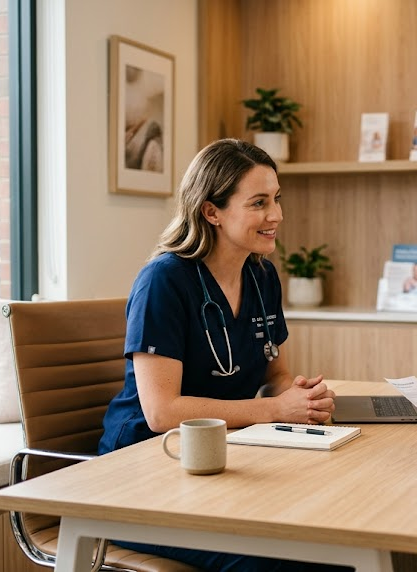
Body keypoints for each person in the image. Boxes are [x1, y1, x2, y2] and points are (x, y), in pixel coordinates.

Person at [98, 139, 347, 572]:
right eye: (258, 203)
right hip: (145, 471)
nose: (276, 216)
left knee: (332, 536)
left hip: (222, 462)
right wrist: (273, 408)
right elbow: (161, 412)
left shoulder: (261, 275)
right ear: (211, 211)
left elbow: (276, 372)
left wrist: (299, 398)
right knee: (288, 561)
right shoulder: (164, 281)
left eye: (276, 199)